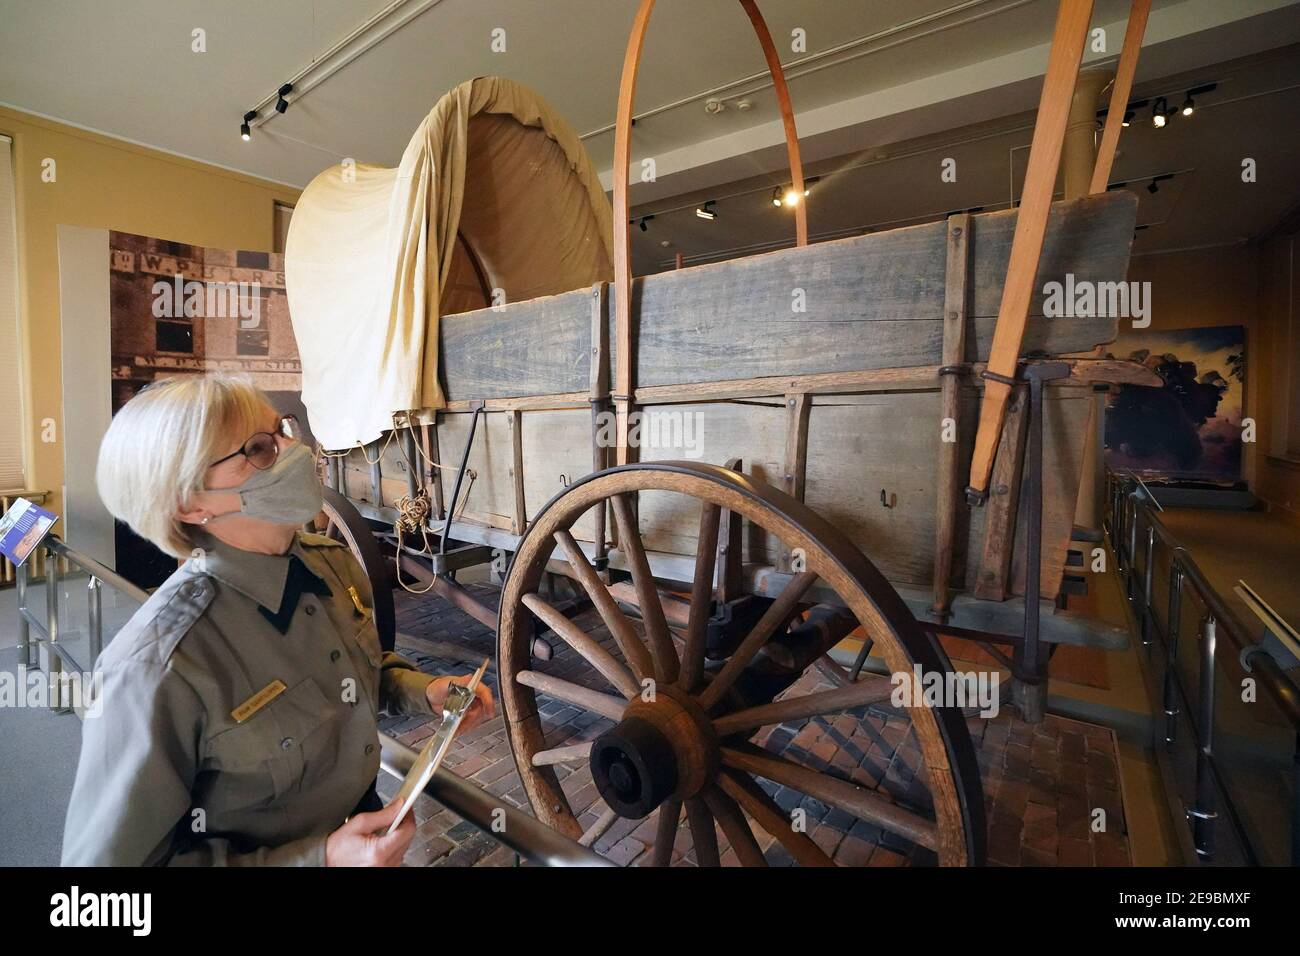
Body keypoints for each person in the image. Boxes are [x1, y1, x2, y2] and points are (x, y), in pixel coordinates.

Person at [62, 375, 493, 866]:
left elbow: (358, 673)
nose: (297, 450)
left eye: (283, 430)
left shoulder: (328, 563)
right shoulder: (156, 668)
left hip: (363, 828)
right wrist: (320, 861)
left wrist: (425, 692)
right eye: (260, 448)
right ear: (191, 503)